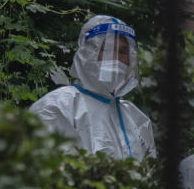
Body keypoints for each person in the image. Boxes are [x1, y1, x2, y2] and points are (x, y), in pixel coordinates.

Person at [30, 15, 155, 159]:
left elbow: (149, 172)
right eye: (108, 49)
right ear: (88, 53)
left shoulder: (135, 117)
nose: (116, 58)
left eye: (122, 52)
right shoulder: (58, 106)